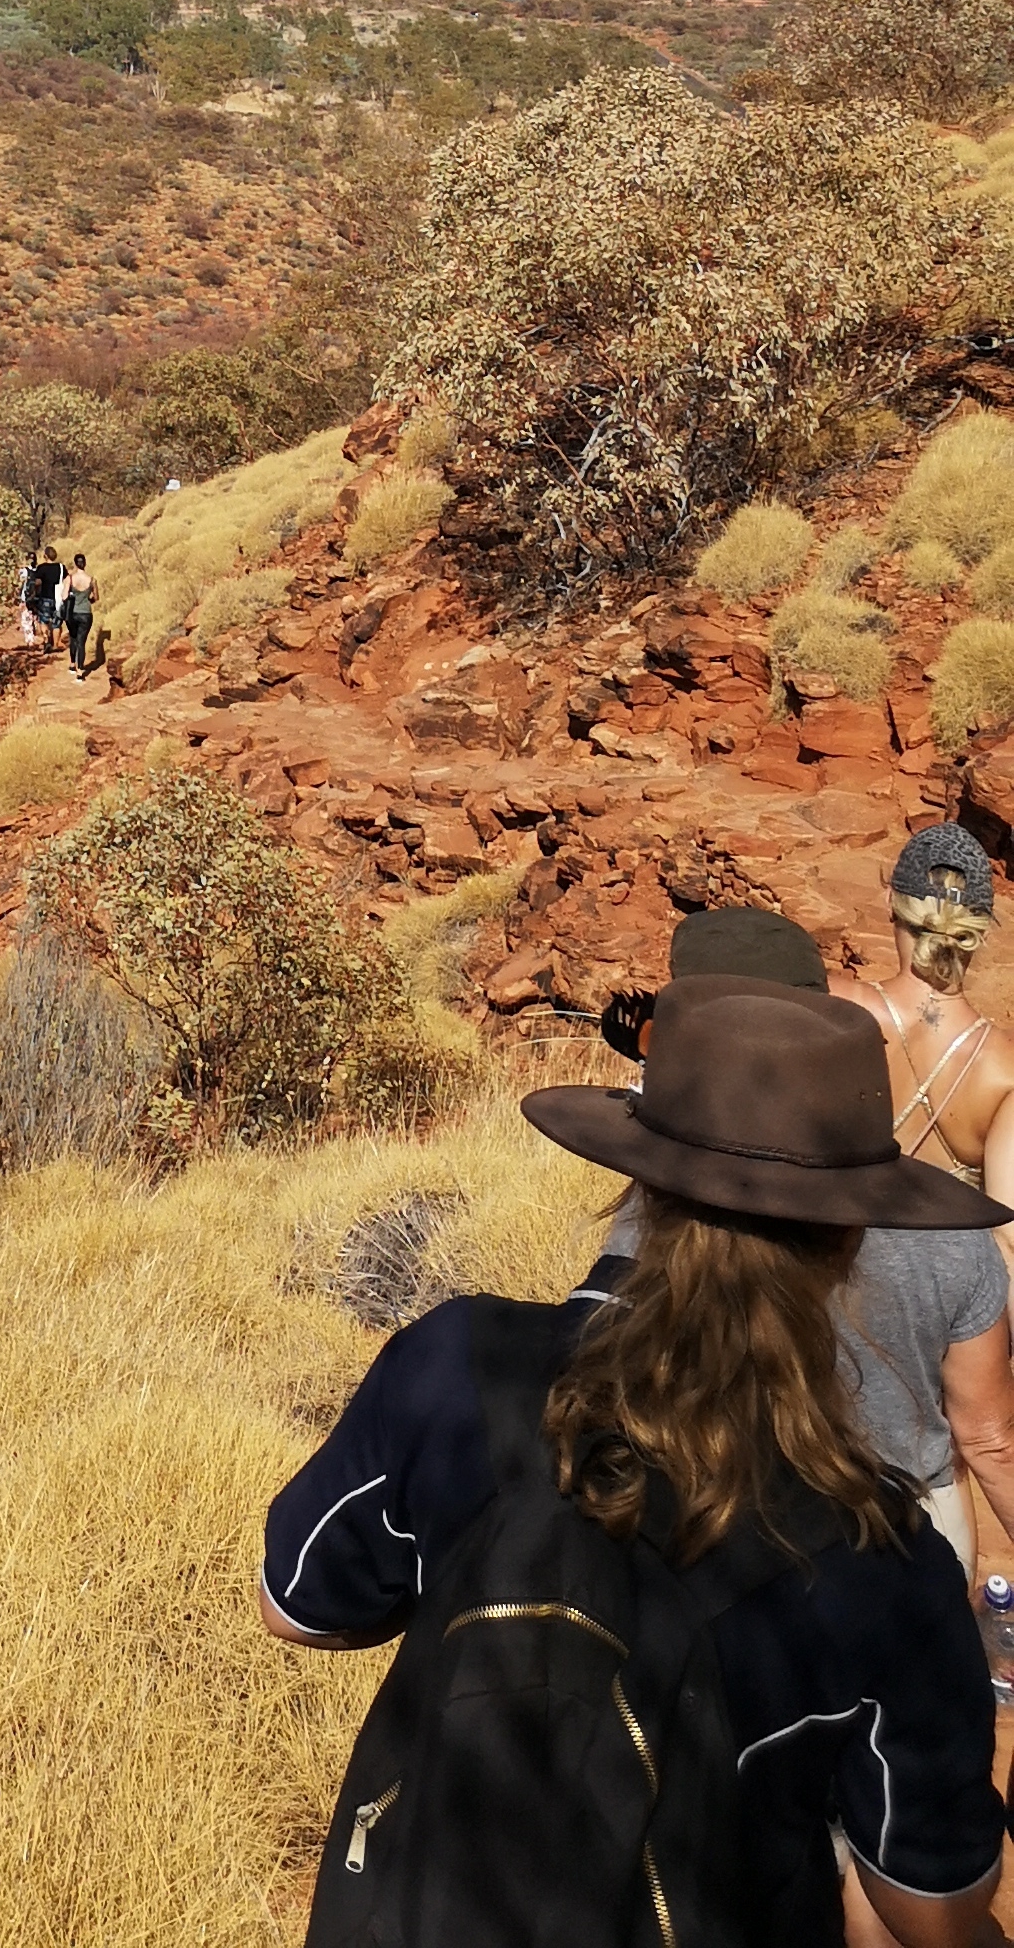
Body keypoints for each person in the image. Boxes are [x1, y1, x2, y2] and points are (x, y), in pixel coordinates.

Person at [264, 979, 1011, 1947]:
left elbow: (301, 1607)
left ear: (640, 1183)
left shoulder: (456, 1361)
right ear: (848, 1238)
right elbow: (929, 1901)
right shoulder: (882, 1550)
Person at [599, 909, 1014, 1578]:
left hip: (722, 1522)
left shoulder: (652, 1222)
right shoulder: (955, 1241)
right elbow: (989, 1438)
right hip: (913, 1534)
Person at [842, 827, 1014, 1239]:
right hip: (937, 1287)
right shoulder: (1004, 1067)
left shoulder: (834, 1005)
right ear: (978, 930)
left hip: (825, 1270)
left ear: (889, 901)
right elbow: (1008, 1232)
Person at [62, 553, 96, 674]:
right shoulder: (92, 580)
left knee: (73, 638)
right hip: (86, 613)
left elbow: (64, 596)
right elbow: (95, 597)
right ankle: (80, 670)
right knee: (82, 641)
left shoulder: (69, 579)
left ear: (76, 564)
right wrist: (87, 600)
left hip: (73, 613)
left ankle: (72, 664)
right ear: (85, 563)